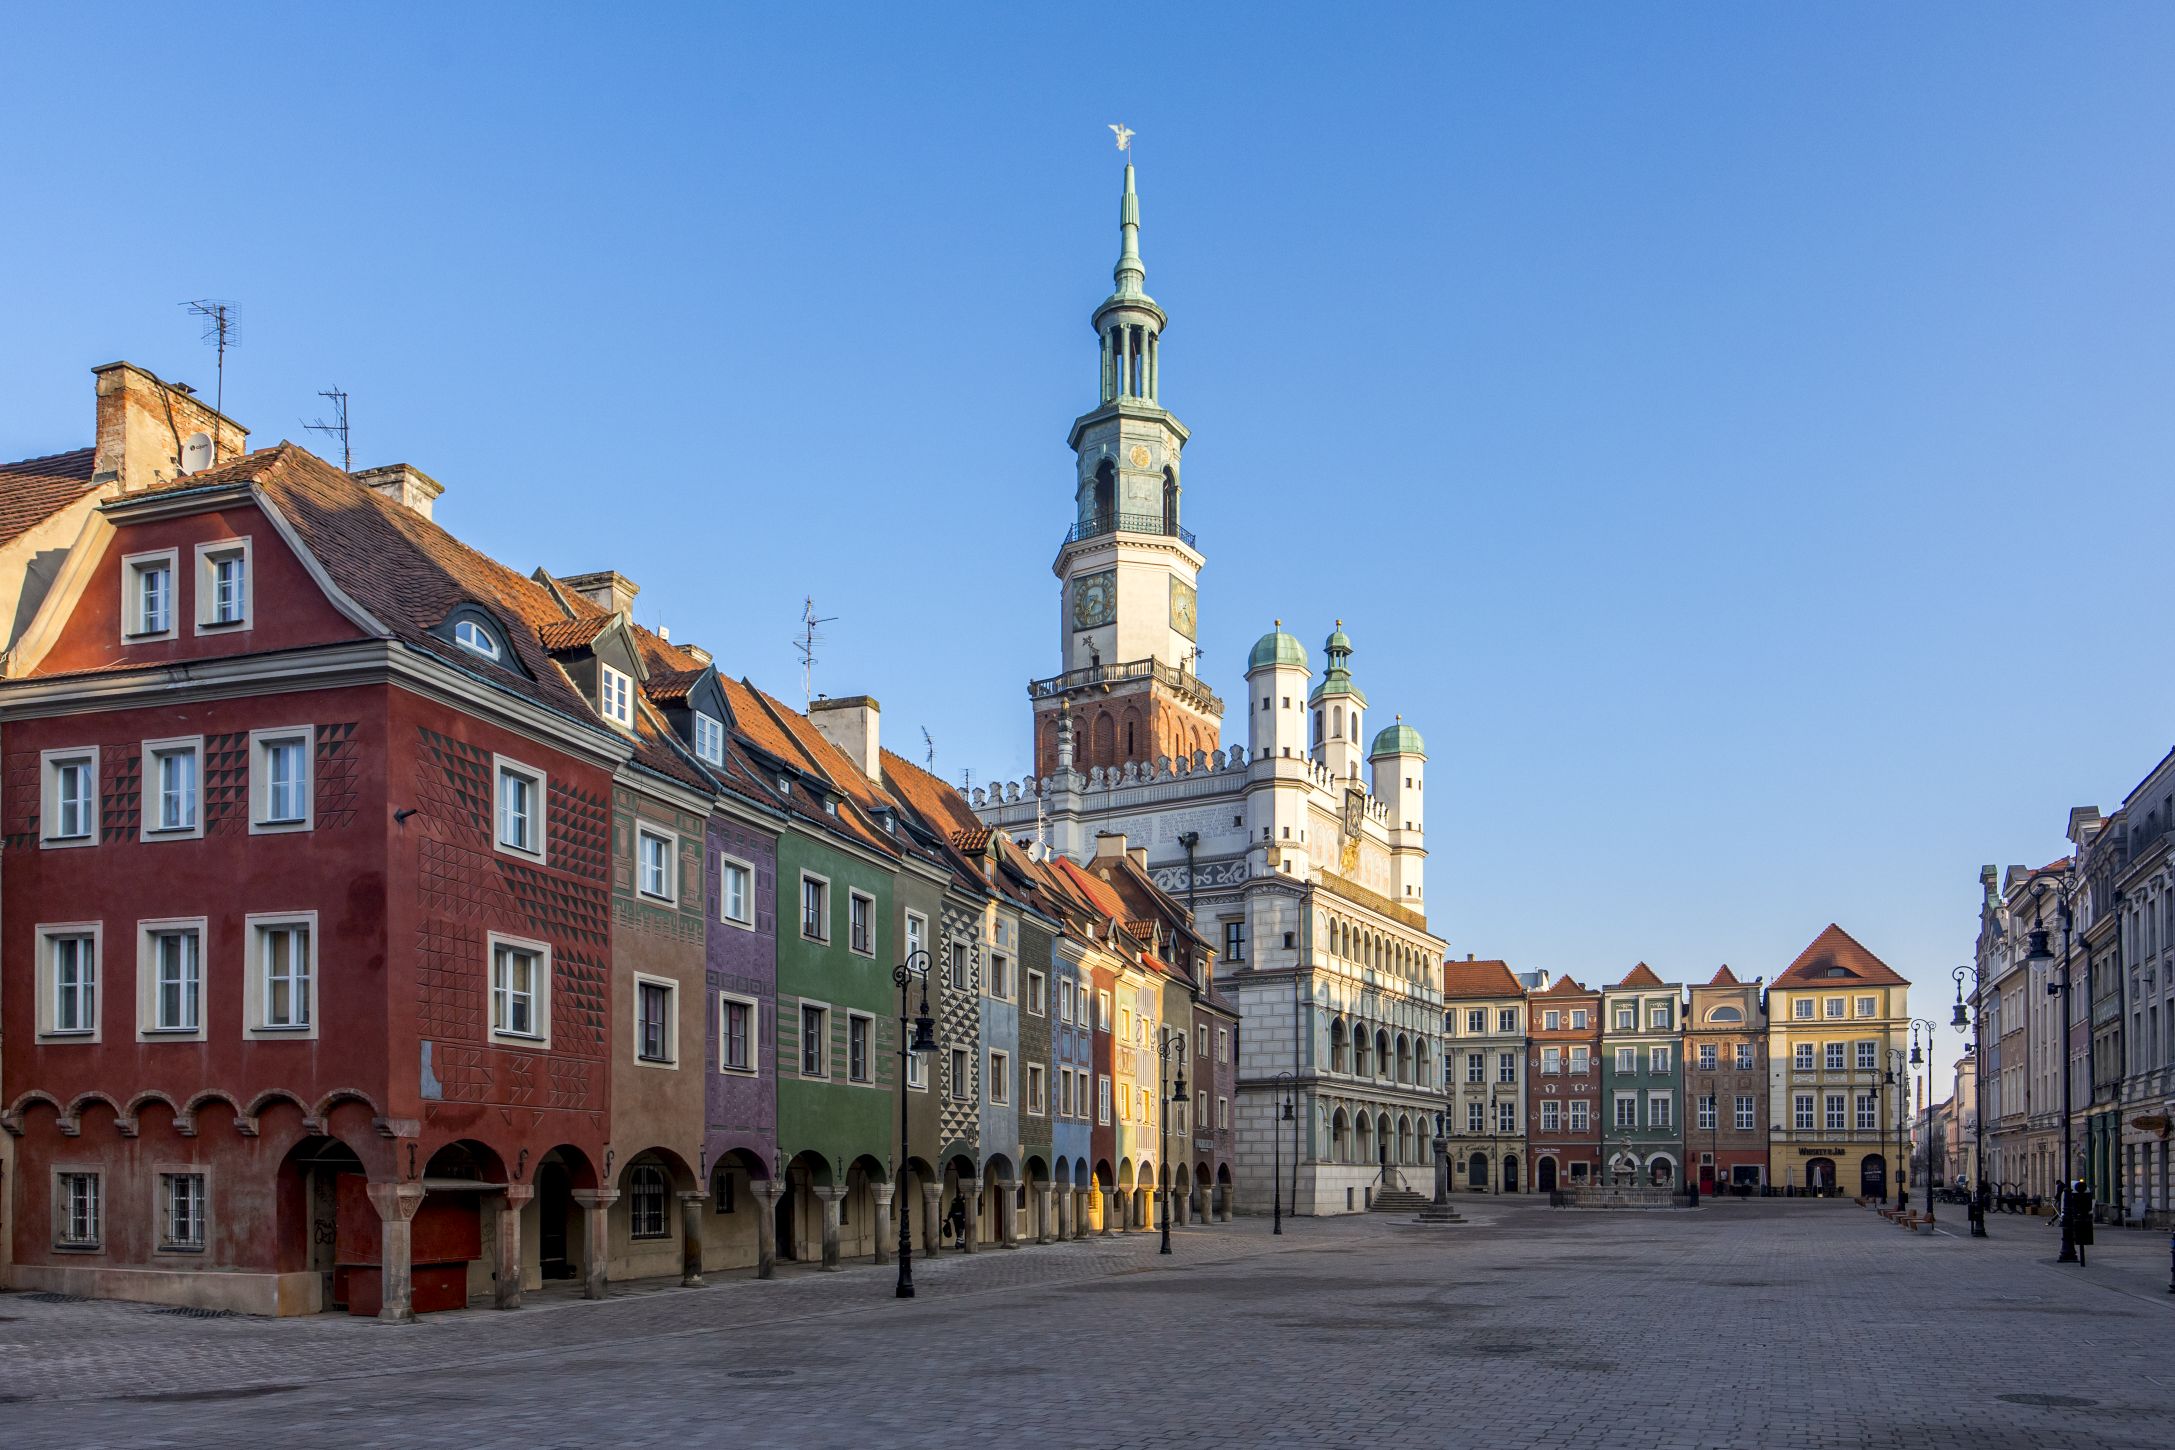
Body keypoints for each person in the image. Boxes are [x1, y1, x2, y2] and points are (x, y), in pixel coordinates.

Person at [2065, 1178, 2094, 1266]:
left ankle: (2069, 1252)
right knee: (2082, 1239)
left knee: (2081, 1238)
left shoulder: (2076, 1196)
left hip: (2079, 1219)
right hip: (2083, 1218)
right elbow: (2088, 1207)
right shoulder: (2086, 1195)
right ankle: (2073, 1254)